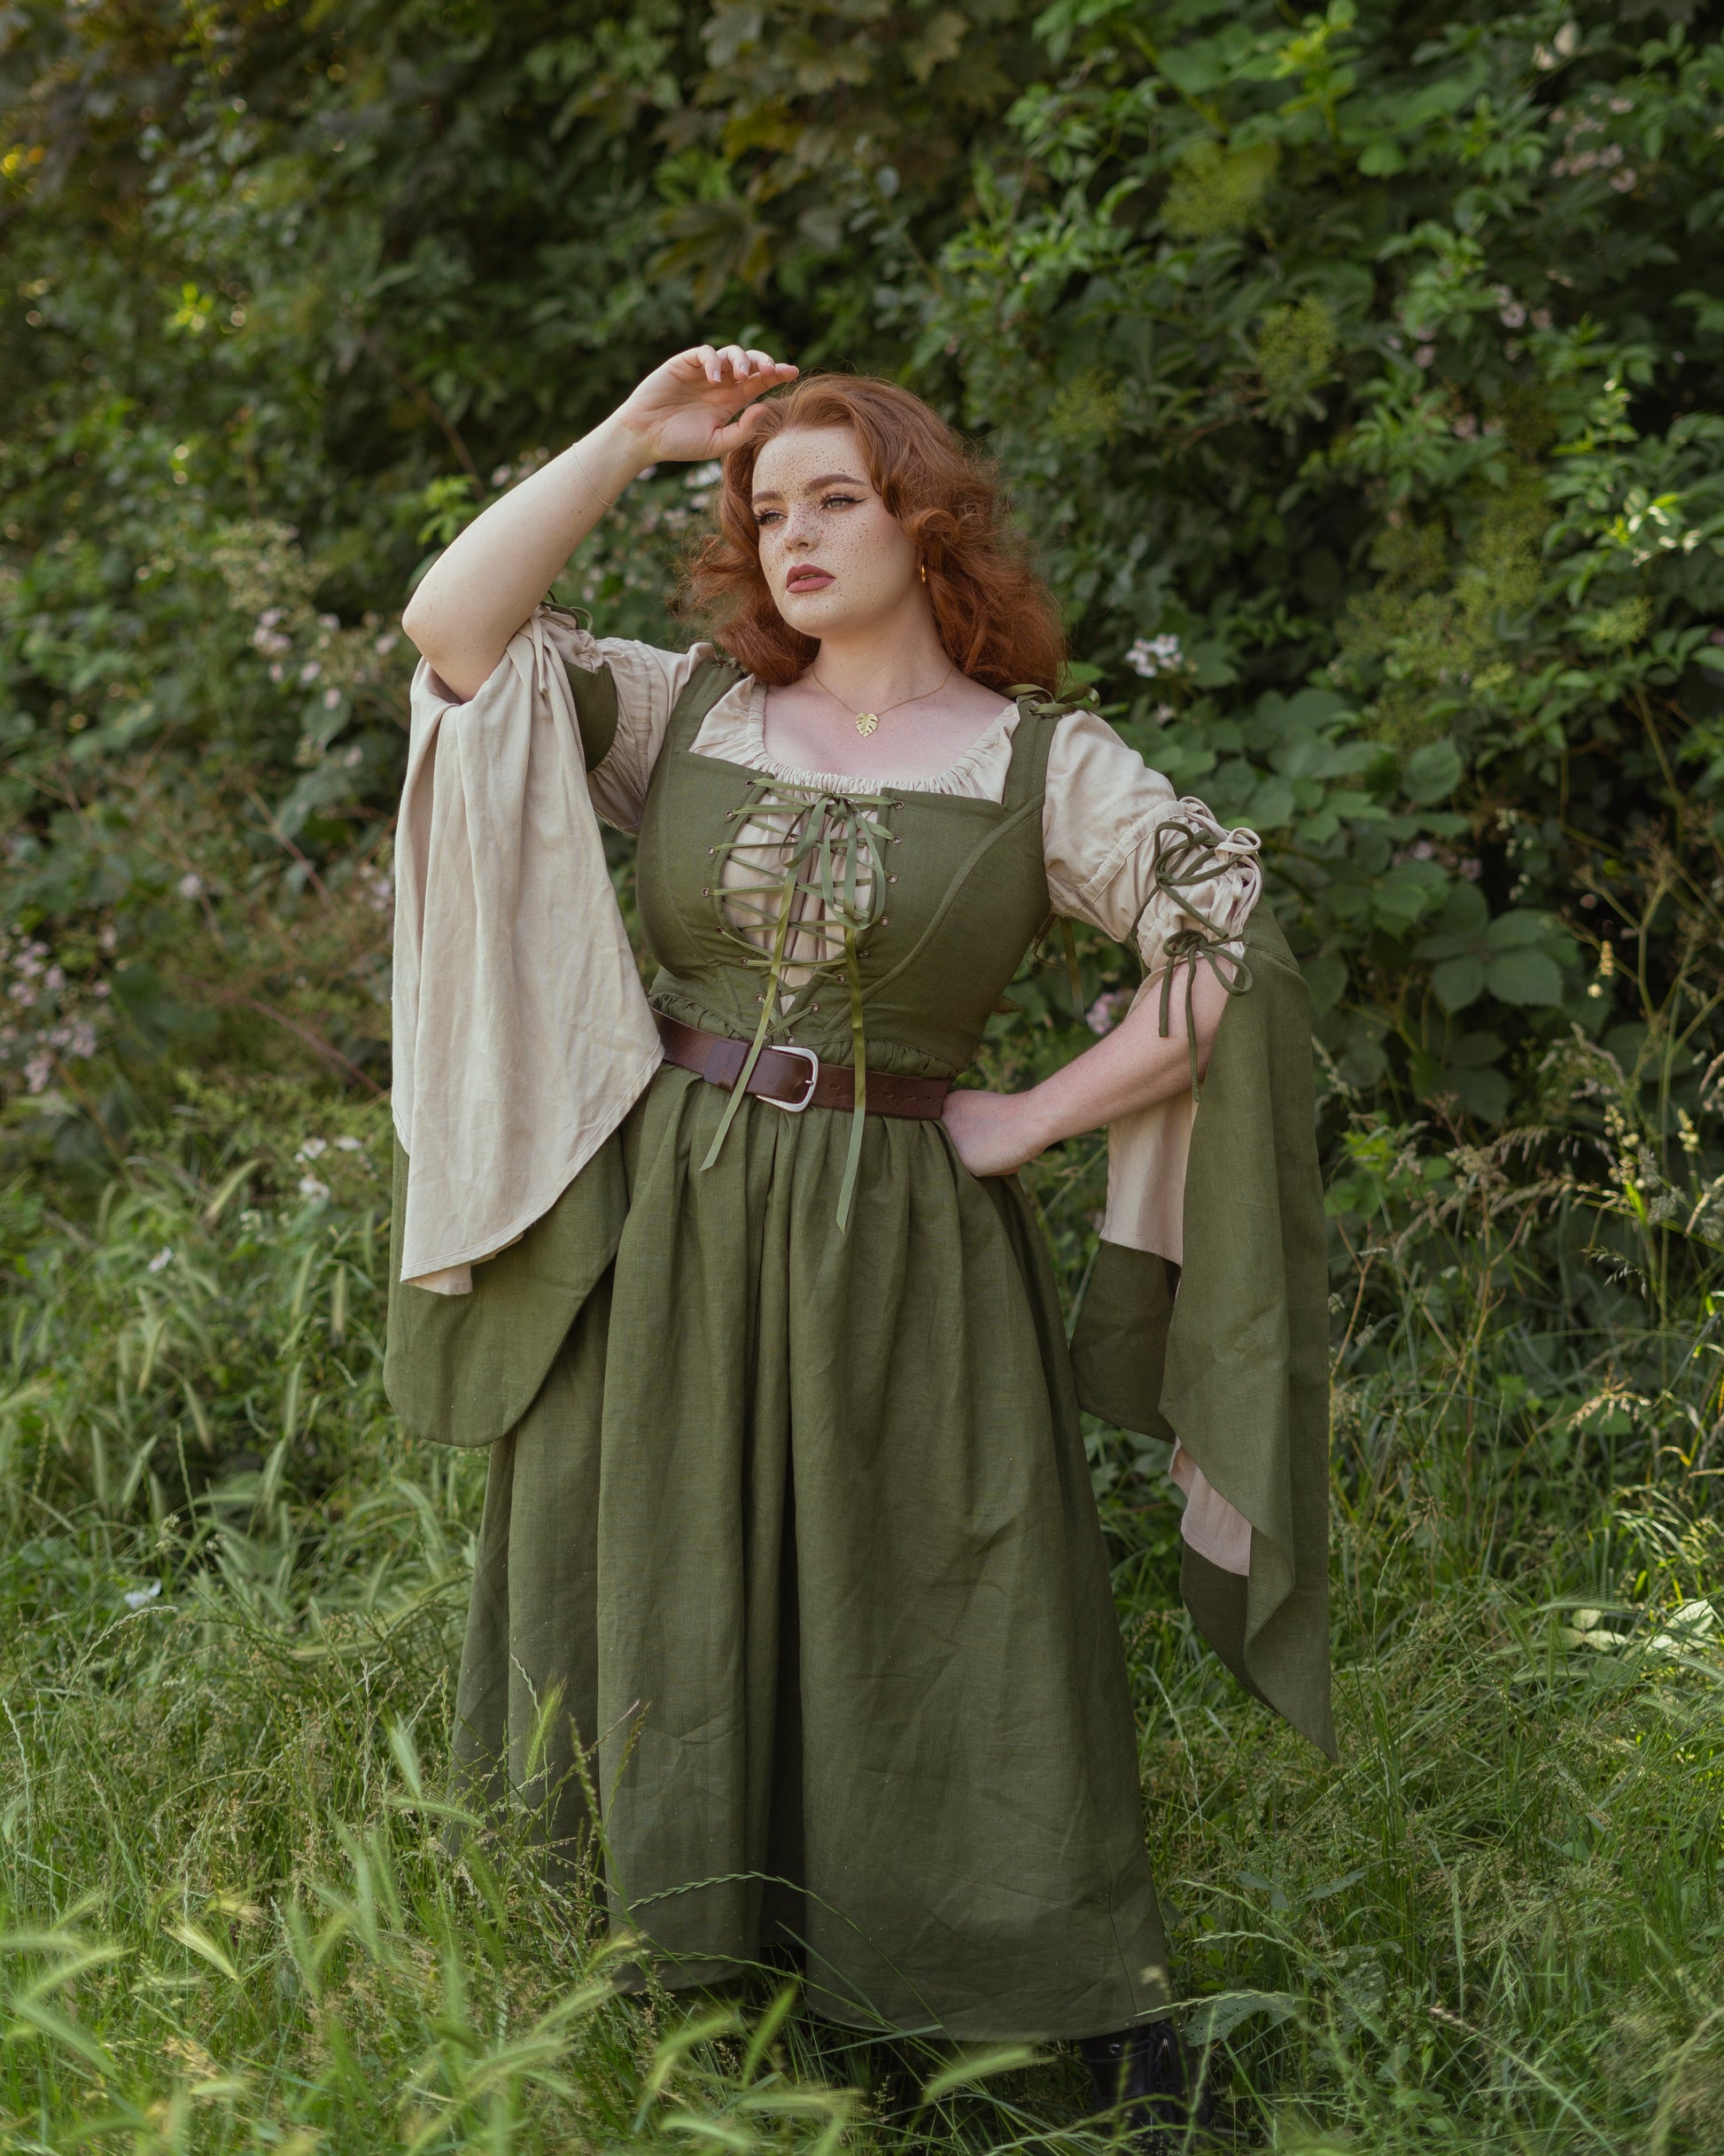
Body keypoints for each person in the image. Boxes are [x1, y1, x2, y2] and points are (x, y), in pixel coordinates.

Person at [387, 345, 1333, 2145]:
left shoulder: (1043, 762)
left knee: (937, 1604)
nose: (793, 533)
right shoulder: (685, 712)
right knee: (658, 1568)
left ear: (924, 515)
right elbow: (453, 628)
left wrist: (1029, 1112)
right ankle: (674, 1995)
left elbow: (1231, 934)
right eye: (764, 509)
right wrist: (627, 438)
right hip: (666, 1216)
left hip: (906, 1237)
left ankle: (1032, 2016)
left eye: (835, 497)